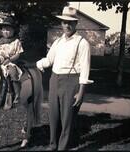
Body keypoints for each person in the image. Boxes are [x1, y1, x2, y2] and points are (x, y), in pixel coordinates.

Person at [36, 6, 93, 150]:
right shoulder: (58, 42)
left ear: (76, 24)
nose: (67, 25)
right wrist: (37, 64)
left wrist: (81, 92)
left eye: (70, 23)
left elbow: (85, 69)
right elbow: (49, 60)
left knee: (67, 117)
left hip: (71, 81)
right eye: (64, 22)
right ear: (61, 23)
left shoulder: (82, 43)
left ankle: (62, 147)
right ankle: (52, 144)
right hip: (54, 80)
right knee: (53, 115)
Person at [0, 16, 24, 107]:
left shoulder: (16, 42)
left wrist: (9, 59)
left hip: (10, 62)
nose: (6, 32)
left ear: (13, 31)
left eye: (8, 30)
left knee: (13, 73)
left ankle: (17, 94)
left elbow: (18, 54)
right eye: (4, 30)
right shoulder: (0, 41)